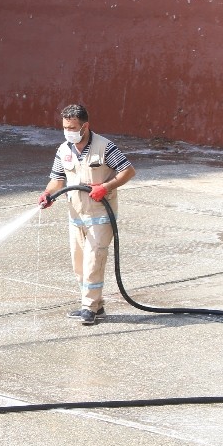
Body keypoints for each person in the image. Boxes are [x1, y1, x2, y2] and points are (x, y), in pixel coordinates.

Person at [38, 104, 136, 325]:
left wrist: (106, 186)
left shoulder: (105, 147)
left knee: (93, 261)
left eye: (72, 127)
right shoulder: (63, 150)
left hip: (100, 216)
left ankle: (88, 308)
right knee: (79, 263)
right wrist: (48, 193)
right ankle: (96, 304)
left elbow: (128, 170)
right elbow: (57, 180)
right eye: (65, 127)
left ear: (85, 126)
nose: (68, 131)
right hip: (76, 216)